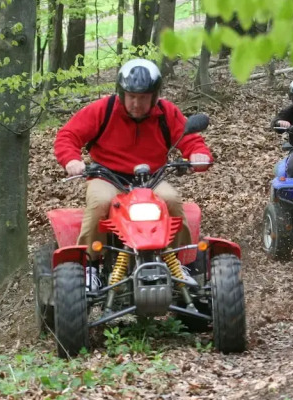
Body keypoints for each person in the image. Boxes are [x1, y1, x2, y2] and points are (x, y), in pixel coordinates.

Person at [54, 58, 212, 289]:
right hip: (107, 176)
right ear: (122, 94)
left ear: (154, 96)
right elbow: (67, 136)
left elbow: (190, 140)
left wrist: (198, 155)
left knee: (171, 200)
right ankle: (89, 265)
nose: (137, 104)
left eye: (144, 98)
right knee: (100, 202)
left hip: (151, 179)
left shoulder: (166, 112)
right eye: (132, 97)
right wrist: (72, 160)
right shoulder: (103, 110)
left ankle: (181, 264)